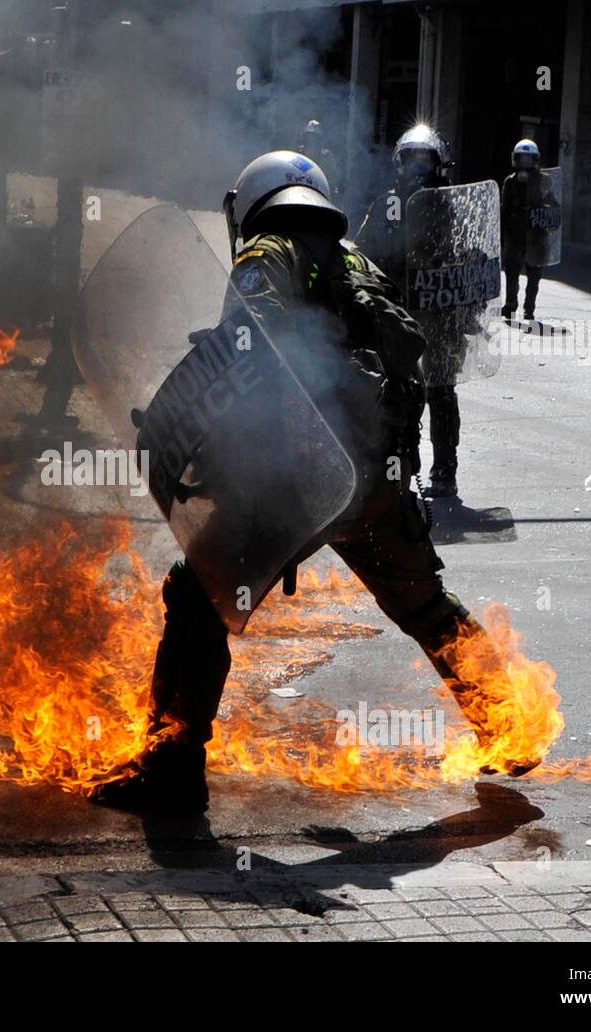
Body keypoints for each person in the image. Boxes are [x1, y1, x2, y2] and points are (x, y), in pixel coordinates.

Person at [91, 151, 543, 813]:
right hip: (377, 475)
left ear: (250, 202)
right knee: (425, 606)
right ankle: (508, 726)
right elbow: (404, 360)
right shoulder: (354, 256)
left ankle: (172, 768)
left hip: (302, 474)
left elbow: (258, 341)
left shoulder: (267, 249)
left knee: (195, 596)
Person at [356, 125, 462, 498]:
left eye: (425, 157)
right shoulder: (387, 204)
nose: (418, 164)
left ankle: (445, 470)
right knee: (402, 392)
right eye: (411, 157)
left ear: (437, 162)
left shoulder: (450, 203)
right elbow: (363, 253)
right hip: (400, 314)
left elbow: (468, 254)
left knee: (442, 391)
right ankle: (404, 466)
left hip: (439, 312)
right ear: (400, 162)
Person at [500, 139, 553, 322]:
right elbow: (504, 209)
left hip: (536, 235)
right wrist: (501, 238)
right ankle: (510, 305)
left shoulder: (544, 180)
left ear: (535, 160)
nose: (524, 163)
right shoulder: (510, 182)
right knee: (512, 273)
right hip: (515, 235)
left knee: (534, 276)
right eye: (521, 159)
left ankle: (529, 308)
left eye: (528, 160)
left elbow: (553, 206)